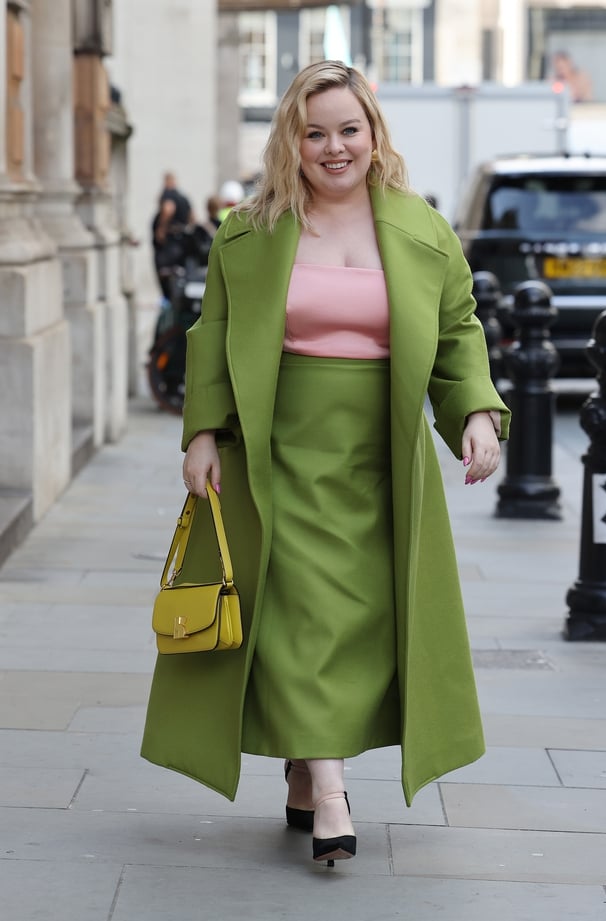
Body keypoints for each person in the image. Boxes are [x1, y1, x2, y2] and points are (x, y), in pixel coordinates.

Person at [141, 60, 511, 867]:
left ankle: (306, 776)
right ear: (292, 141)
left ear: (374, 135)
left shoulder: (420, 228)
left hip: (383, 453)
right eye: (315, 132)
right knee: (302, 612)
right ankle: (333, 790)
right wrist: (202, 432)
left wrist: (477, 413)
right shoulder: (249, 230)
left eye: (350, 129)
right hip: (276, 449)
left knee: (357, 622)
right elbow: (212, 331)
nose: (334, 146)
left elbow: (456, 331)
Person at [151, 171, 194, 299]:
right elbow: (192, 217)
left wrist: (161, 229)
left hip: (170, 245)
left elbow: (168, 209)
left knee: (165, 275)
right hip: (181, 244)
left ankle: (169, 302)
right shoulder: (183, 197)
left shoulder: (168, 194)